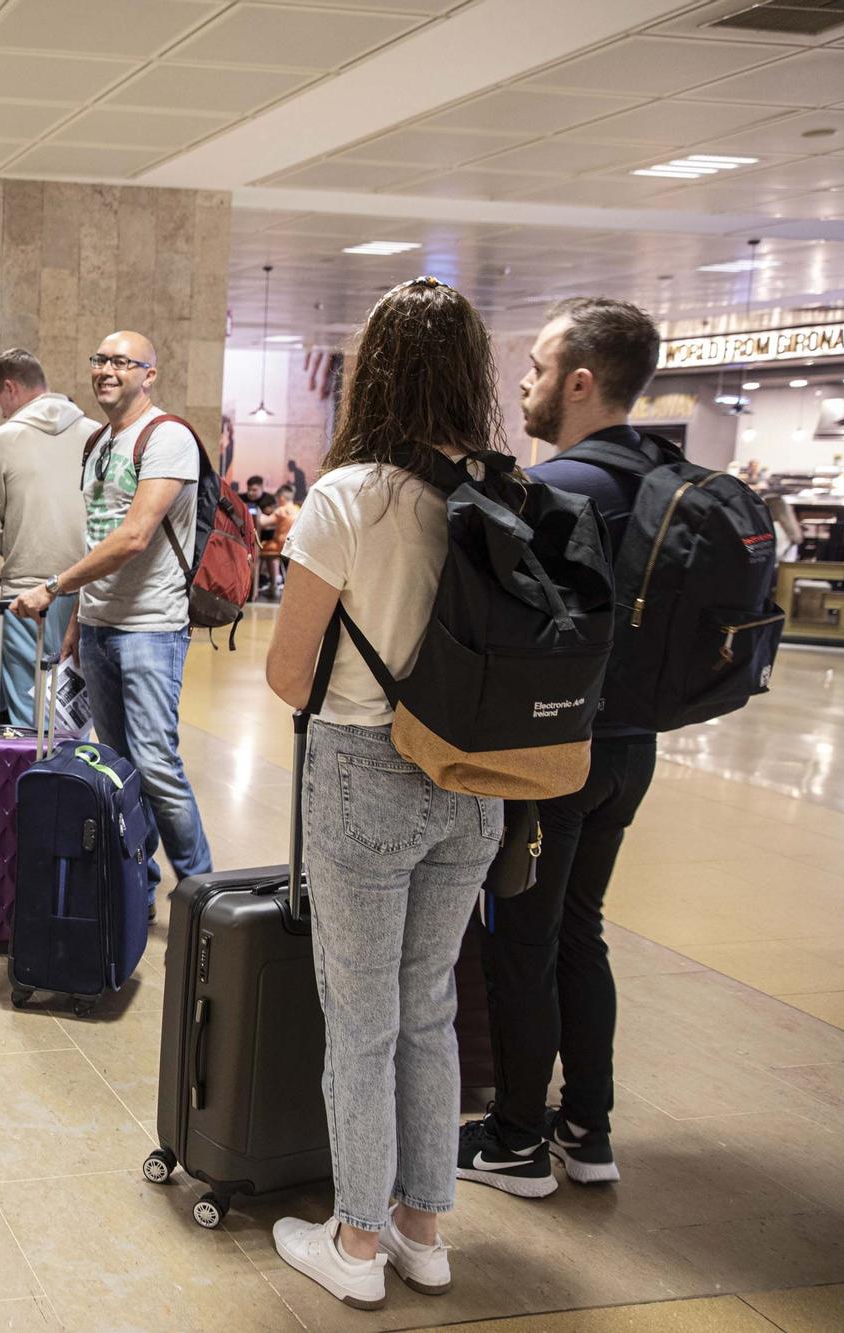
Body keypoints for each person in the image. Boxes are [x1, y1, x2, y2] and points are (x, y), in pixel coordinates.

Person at [260, 276, 507, 1310]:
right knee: (428, 1008)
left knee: (358, 1018)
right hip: (477, 778)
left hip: (367, 769)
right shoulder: (499, 488)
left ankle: (355, 1245)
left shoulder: (348, 496)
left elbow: (284, 673)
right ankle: (425, 1225)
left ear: (374, 374)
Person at [458, 297, 667, 1199]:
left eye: (538, 368)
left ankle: (513, 1139)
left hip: (555, 753)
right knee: (583, 929)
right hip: (633, 751)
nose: (526, 383)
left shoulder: (561, 490)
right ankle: (588, 1128)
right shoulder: (665, 476)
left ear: (581, 381)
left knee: (522, 939)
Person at [9, 330, 215, 897]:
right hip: (99, 629)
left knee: (155, 763)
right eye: (99, 359)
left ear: (149, 374)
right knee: (118, 768)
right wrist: (79, 616)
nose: (106, 370)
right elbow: (96, 536)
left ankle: (203, 892)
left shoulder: (167, 437)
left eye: (122, 362)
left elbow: (133, 536)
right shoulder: (98, 442)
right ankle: (137, 886)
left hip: (150, 628)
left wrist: (53, 588)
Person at [0, 347, 93, 726]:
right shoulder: (97, 434)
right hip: (88, 594)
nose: (2, 411)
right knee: (74, 712)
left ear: (9, 388)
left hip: (26, 595)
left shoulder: (1, 439)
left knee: (29, 716)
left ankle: (31, 783)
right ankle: (72, 782)